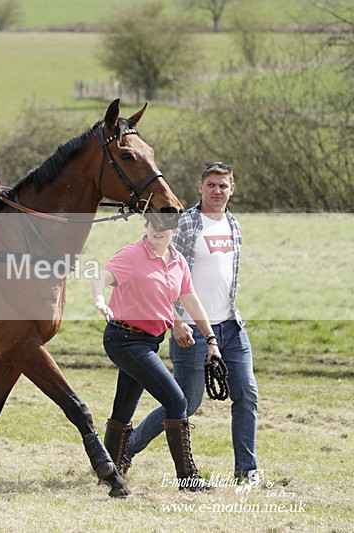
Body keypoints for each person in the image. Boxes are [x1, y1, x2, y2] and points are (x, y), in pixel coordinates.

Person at [126, 162, 259, 485]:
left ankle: (247, 471)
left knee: (247, 394)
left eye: (223, 185)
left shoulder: (233, 224)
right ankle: (125, 448)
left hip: (230, 326)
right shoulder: (184, 225)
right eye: (211, 185)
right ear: (200, 188)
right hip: (191, 328)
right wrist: (176, 322)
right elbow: (160, 274)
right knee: (186, 401)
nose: (217, 191)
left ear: (232, 189)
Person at [92, 216, 220, 491]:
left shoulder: (178, 261)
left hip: (148, 342)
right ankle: (188, 478)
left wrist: (211, 338)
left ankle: (110, 471)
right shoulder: (132, 254)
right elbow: (102, 276)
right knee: (176, 401)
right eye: (153, 225)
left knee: (123, 408)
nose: (158, 231)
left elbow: (190, 298)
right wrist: (100, 300)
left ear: (174, 230)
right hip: (124, 339)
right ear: (147, 226)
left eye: (164, 227)